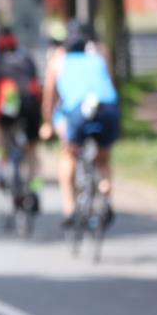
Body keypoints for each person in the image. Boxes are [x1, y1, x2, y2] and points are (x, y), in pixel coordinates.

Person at [40, 22, 120, 228]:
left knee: (69, 153)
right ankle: (106, 194)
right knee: (103, 159)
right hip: (107, 107)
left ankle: (69, 208)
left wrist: (48, 124)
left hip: (77, 110)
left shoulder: (58, 61)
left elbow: (49, 98)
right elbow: (109, 83)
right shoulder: (100, 56)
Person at [0, 28, 43, 205]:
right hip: (31, 104)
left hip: (9, 104)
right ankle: (36, 187)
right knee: (31, 148)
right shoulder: (27, 60)